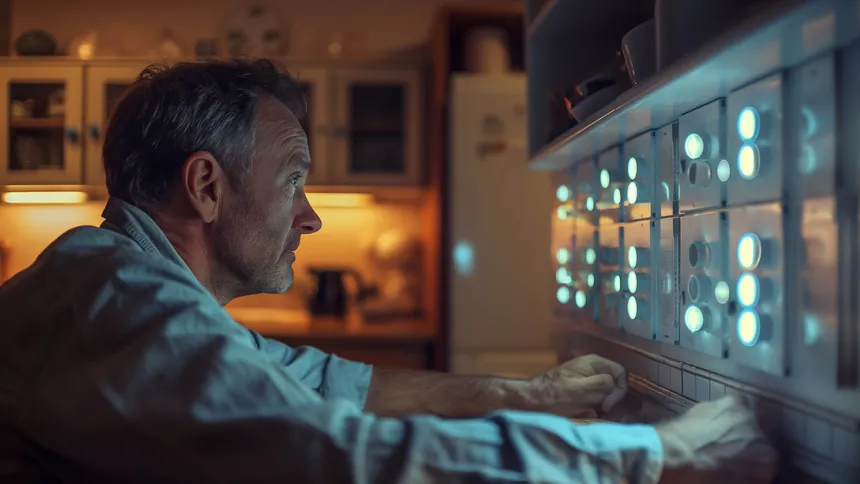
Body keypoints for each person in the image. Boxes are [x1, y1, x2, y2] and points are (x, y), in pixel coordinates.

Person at [0, 59, 773, 483]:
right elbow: (333, 453)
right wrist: (657, 456)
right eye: (295, 181)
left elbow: (318, 383)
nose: (310, 217)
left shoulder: (119, 282)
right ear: (206, 187)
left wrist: (526, 393)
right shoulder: (116, 298)